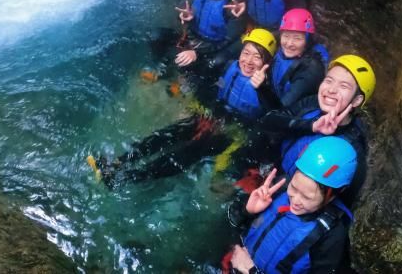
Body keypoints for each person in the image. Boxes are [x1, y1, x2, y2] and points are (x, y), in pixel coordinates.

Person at [86, 30, 278, 188]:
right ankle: (118, 163)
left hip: (231, 132)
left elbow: (274, 116)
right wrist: (195, 55)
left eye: (257, 57)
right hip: (211, 117)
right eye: (246, 53)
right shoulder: (230, 67)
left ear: (266, 63)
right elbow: (207, 80)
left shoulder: (269, 88)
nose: (249, 60)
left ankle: (123, 179)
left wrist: (263, 89)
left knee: (185, 154)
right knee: (165, 135)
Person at [225, 136, 359, 274]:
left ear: (332, 196)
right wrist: (247, 211)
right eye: (294, 188)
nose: (295, 200)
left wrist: (251, 271)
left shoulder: (331, 236)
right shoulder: (280, 188)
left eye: (307, 197)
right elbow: (232, 222)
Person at [261, 54, 375, 210]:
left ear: (356, 101)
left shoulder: (351, 147)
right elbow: (270, 120)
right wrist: (311, 126)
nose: (331, 90)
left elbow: (342, 199)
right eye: (328, 81)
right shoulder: (312, 103)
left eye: (343, 86)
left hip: (293, 199)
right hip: (271, 168)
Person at [268, 9, 328, 108]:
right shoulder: (282, 48)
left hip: (293, 110)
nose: (289, 43)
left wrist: (261, 89)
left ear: (307, 41)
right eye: (286, 36)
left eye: (297, 38)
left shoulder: (310, 70)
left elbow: (282, 106)